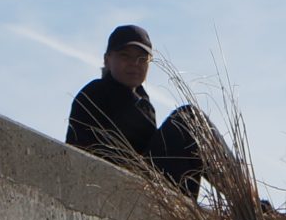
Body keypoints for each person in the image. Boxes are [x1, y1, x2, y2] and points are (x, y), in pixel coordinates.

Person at [65, 24, 207, 196]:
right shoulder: (96, 93)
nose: (134, 64)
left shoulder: (144, 103)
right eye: (125, 56)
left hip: (145, 182)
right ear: (107, 59)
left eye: (142, 58)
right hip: (113, 187)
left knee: (191, 127)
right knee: (188, 118)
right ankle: (245, 195)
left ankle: (224, 201)